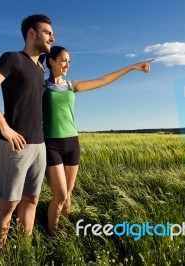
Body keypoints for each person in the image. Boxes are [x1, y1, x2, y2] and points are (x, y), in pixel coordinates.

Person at [39, 46, 153, 236]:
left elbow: (103, 80)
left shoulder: (71, 86)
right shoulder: (41, 87)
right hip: (51, 144)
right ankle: (52, 236)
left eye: (69, 61)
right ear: (52, 61)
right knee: (59, 195)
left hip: (72, 143)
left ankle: (64, 233)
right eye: (64, 60)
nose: (67, 64)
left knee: (67, 196)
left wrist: (132, 67)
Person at [0, 14, 55, 251]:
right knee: (9, 204)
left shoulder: (40, 69)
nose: (52, 36)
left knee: (32, 199)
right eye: (47, 32)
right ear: (32, 33)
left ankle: (24, 250)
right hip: (16, 145)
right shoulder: (13, 58)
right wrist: (4, 127)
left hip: (39, 145)